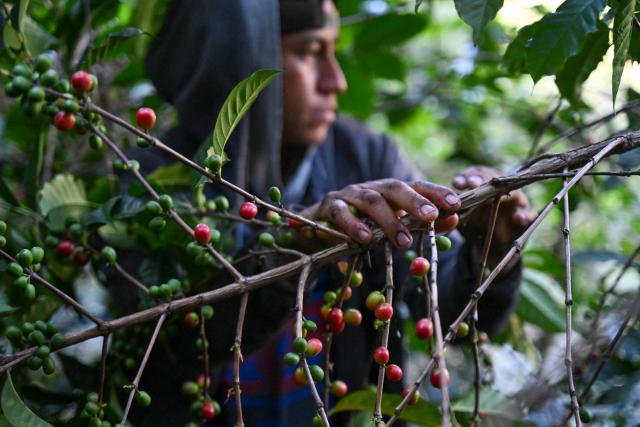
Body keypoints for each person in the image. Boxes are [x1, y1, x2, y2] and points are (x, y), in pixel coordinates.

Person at [128, 0, 535, 426]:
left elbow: (453, 310)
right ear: (236, 66)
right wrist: (298, 241)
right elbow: (168, 346)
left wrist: (490, 249)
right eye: (309, 51)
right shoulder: (155, 186)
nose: (336, 81)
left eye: (333, 50)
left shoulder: (367, 159)